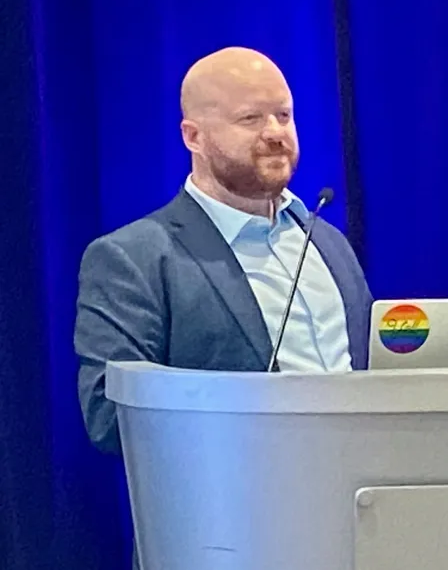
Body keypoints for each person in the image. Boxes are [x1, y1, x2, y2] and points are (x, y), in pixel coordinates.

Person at [75, 46, 373, 455]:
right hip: (236, 505)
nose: (275, 132)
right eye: (250, 118)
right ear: (192, 136)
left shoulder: (326, 242)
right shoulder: (134, 259)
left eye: (283, 115)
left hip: (366, 497)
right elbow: (110, 416)